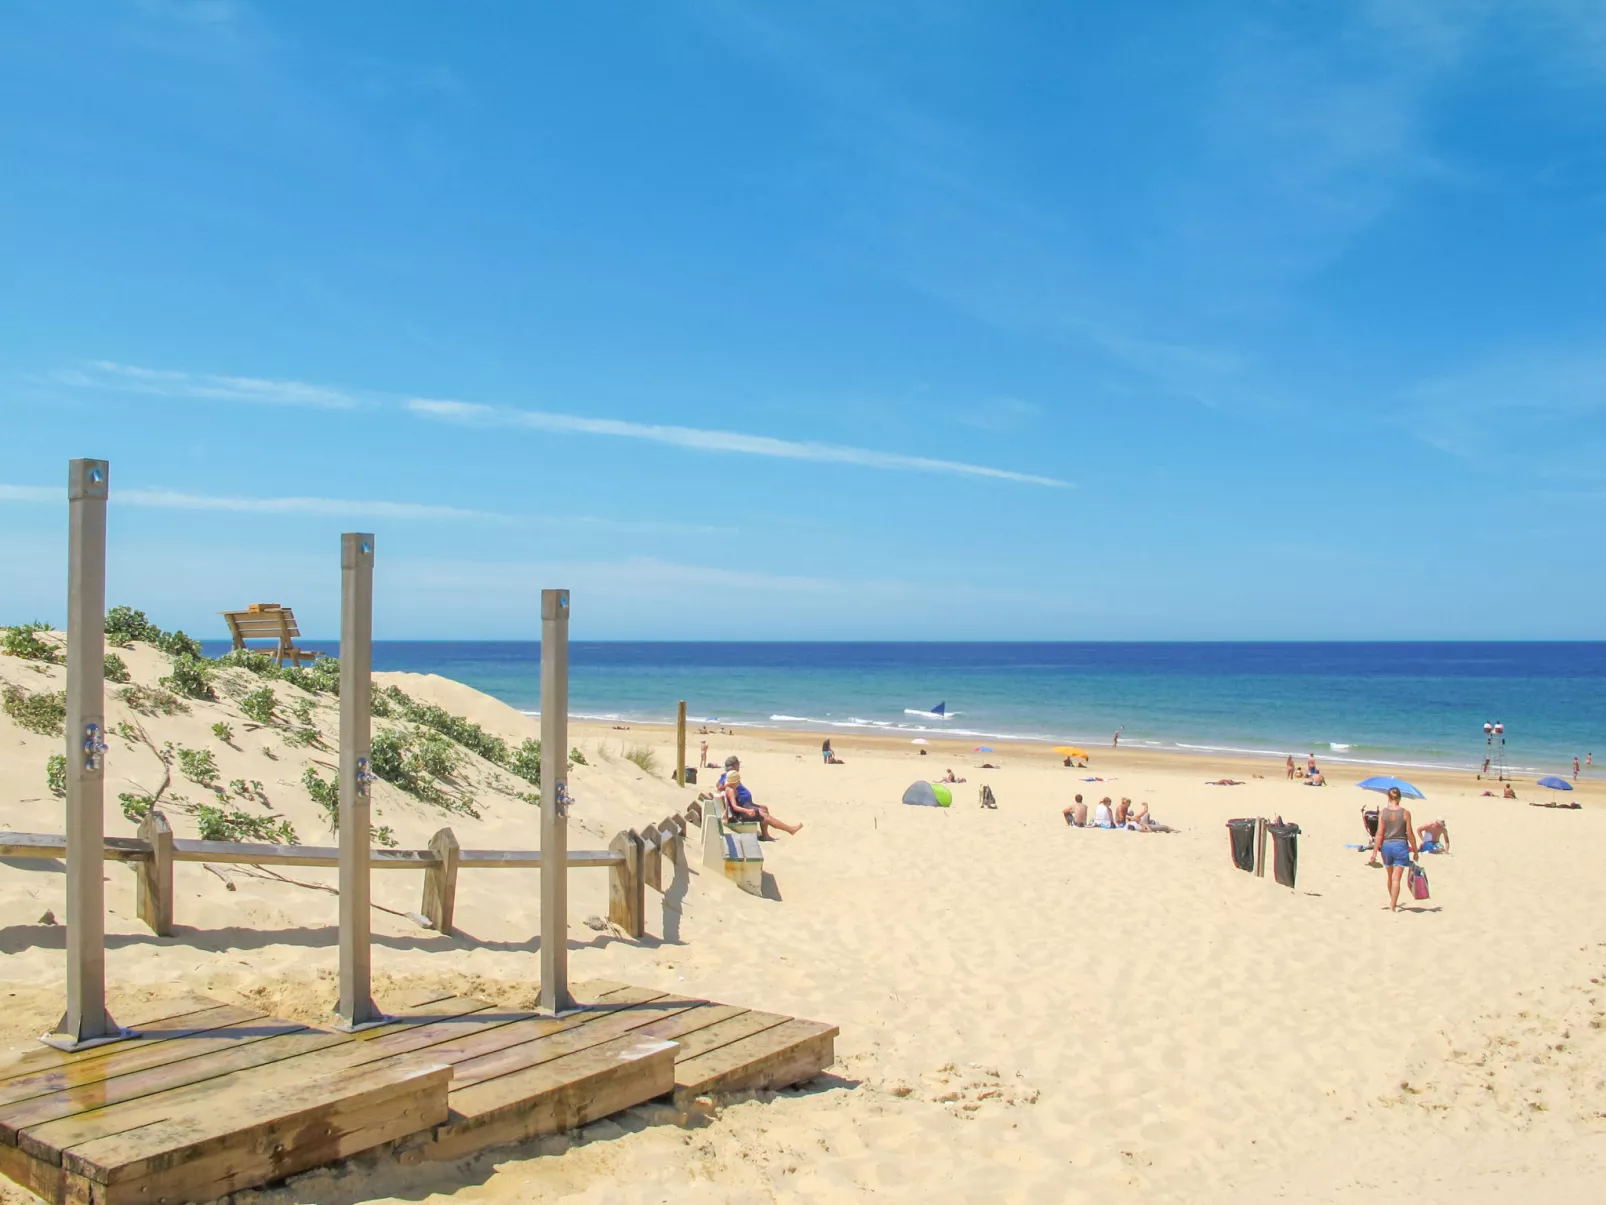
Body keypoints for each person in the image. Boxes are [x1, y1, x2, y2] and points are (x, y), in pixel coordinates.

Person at [719, 759, 801, 840]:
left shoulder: (730, 788)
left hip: (742, 810)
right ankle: (790, 830)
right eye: (738, 781)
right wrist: (747, 811)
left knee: (764, 810)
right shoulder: (731, 790)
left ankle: (765, 835)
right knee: (766, 817)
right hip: (741, 815)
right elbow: (734, 806)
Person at [1369, 786, 1418, 910]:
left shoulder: (1383, 812)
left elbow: (1379, 833)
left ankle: (1392, 901)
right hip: (1401, 846)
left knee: (1390, 877)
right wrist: (1415, 849)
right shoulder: (1405, 813)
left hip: (1386, 847)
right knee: (1397, 879)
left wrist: (1374, 852)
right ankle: (1393, 906)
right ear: (1400, 798)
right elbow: (1409, 833)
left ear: (1388, 798)